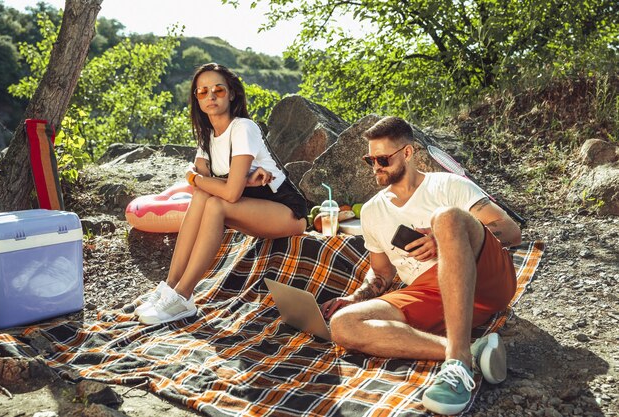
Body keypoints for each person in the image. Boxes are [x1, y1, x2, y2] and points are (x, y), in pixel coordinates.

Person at [320, 116, 522, 415]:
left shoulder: (449, 185)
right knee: (343, 325)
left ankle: (457, 365)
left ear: (407, 153)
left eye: (383, 159)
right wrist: (354, 297)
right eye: (370, 159)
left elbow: (511, 230)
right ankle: (469, 351)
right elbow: (382, 272)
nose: (376, 166)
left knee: (447, 218)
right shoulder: (373, 210)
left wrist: (445, 238)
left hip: (485, 278)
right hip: (428, 293)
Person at [133, 63, 307, 325]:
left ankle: (183, 295)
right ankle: (170, 286)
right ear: (196, 98)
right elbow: (204, 188)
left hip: (286, 211)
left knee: (215, 204)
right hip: (252, 206)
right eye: (202, 92)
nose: (210, 96)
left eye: (218, 90)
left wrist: (194, 176)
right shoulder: (207, 136)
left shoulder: (243, 128)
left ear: (232, 94)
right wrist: (240, 182)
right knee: (204, 197)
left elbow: (227, 192)